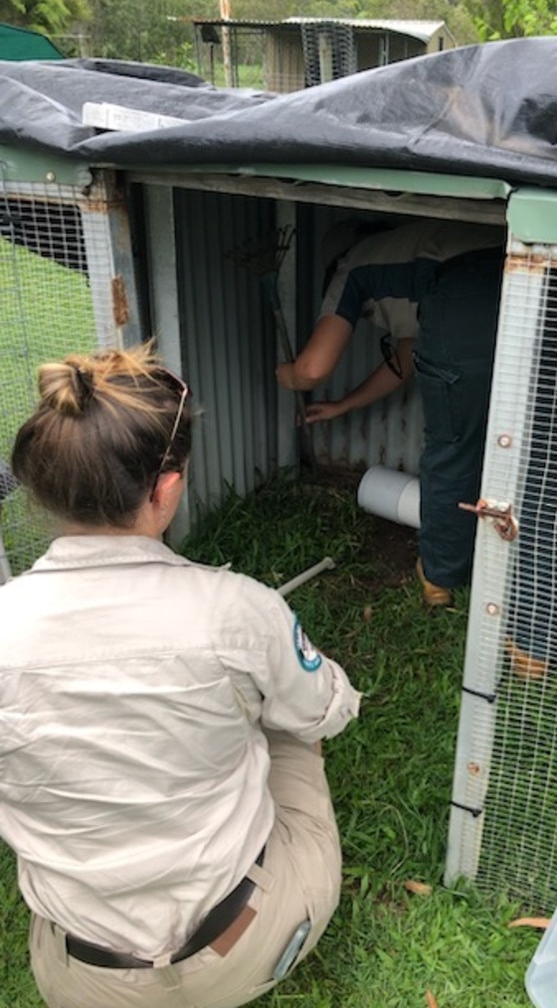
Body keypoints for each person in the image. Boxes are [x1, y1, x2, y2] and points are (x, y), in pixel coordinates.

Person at [0, 344, 360, 1008]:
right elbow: (330, 710)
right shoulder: (239, 609)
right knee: (293, 721)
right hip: (245, 950)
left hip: (81, 981)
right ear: (167, 487)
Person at [276, 217, 506, 611]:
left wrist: (288, 374)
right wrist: (341, 405)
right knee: (525, 450)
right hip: (527, 280)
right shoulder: (416, 249)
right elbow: (405, 360)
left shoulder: (353, 266)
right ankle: (526, 613)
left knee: (452, 449)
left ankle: (440, 577)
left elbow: (313, 367)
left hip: (467, 288)